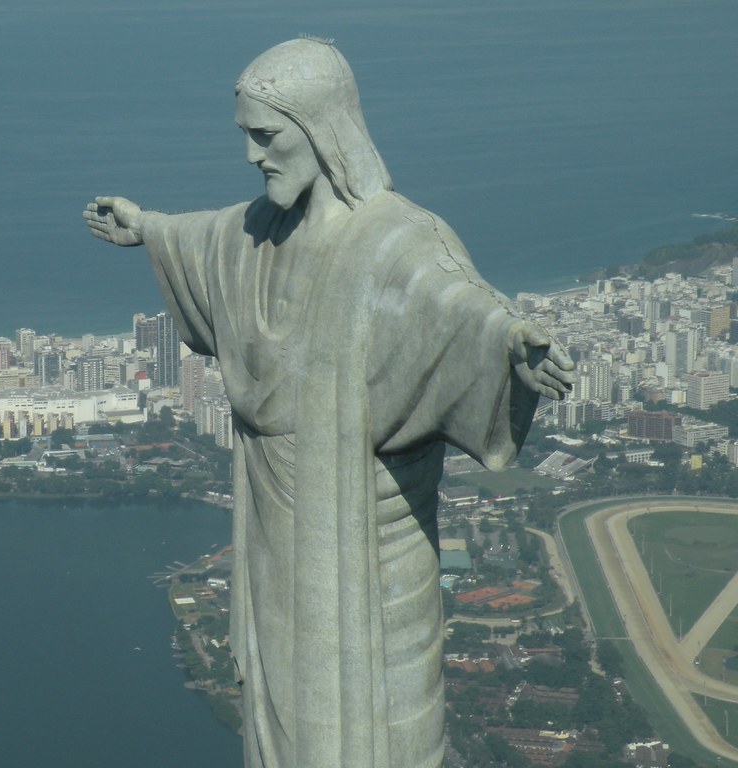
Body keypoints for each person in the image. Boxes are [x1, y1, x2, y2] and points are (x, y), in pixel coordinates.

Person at [84, 38, 573, 768]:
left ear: (321, 129)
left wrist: (513, 348)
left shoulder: (396, 241)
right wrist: (147, 227)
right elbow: (211, 239)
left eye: (267, 135)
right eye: (247, 136)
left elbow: (455, 304)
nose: (254, 155)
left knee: (382, 728)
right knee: (285, 720)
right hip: (278, 538)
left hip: (372, 544)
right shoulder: (262, 232)